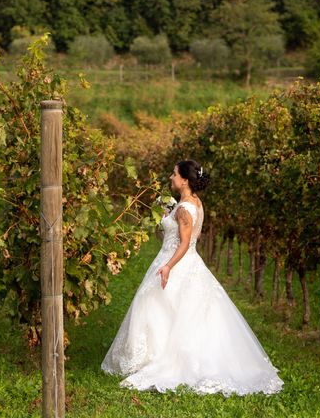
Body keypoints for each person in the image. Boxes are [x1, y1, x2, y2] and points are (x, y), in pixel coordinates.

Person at [101, 160, 283, 395]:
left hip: (178, 263)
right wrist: (168, 214)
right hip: (185, 260)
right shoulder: (193, 203)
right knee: (170, 310)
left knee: (155, 306)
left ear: (184, 180)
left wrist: (168, 267)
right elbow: (179, 235)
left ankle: (159, 359)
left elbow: (185, 243)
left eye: (174, 174)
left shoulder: (186, 208)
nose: (170, 177)